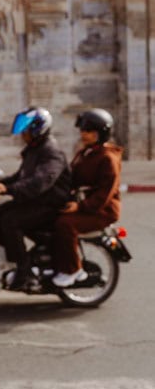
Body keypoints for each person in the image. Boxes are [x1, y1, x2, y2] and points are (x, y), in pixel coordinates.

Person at [0, 106, 71, 290]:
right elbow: (21, 177)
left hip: (50, 204)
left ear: (37, 129)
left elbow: (39, 183)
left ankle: (24, 270)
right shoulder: (34, 149)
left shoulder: (51, 152)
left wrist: (8, 189)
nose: (23, 134)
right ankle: (18, 257)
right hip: (36, 200)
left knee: (10, 221)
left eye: (26, 130)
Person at [50, 109, 122, 288]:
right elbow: (72, 176)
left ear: (101, 133)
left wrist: (79, 207)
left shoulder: (108, 158)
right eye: (83, 130)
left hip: (102, 211)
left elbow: (105, 193)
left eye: (89, 131)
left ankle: (73, 270)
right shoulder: (87, 152)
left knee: (65, 224)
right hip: (85, 204)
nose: (84, 134)